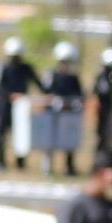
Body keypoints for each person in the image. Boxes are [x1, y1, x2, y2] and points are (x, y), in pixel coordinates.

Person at [0, 39, 42, 172]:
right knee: (1, 134)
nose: (15, 59)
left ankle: (20, 162)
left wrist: (50, 92)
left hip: (21, 106)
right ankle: (1, 162)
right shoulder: (2, 67)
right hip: (4, 105)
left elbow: (38, 83)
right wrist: (10, 95)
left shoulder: (26, 68)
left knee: (22, 134)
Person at [40, 42, 85, 177]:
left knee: (69, 141)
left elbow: (79, 94)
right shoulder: (51, 75)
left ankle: (69, 167)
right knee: (50, 141)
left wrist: (71, 102)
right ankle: (47, 167)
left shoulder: (73, 78)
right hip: (53, 113)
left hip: (68, 113)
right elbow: (46, 92)